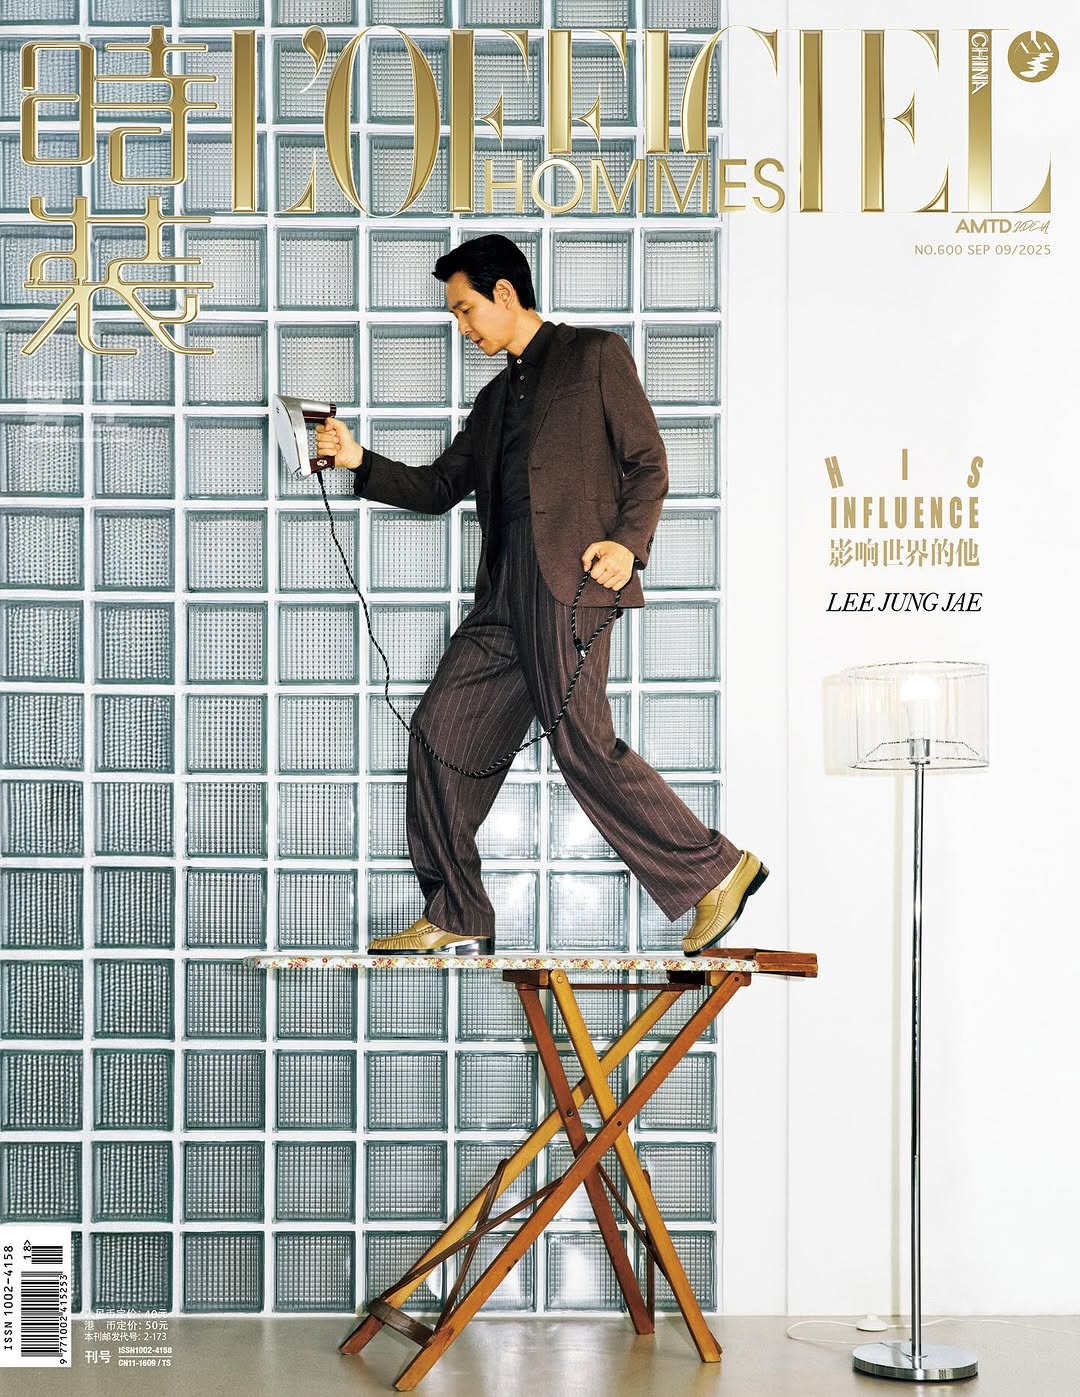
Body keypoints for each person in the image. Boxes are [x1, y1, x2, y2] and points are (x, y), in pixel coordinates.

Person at [316, 234, 768, 956]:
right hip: (502, 597)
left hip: (570, 582)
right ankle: (458, 909)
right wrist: (355, 458)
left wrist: (626, 544)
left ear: (503, 294)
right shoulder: (494, 399)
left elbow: (648, 463)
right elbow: (439, 487)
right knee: (437, 734)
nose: (462, 327)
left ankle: (717, 869)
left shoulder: (595, 356)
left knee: (581, 743)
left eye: (464, 309)